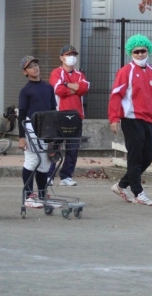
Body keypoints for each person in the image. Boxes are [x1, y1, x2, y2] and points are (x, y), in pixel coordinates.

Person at [109, 34, 152, 206]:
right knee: (135, 157)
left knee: (147, 157)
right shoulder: (125, 71)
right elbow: (116, 95)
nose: (140, 54)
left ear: (148, 50)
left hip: (148, 120)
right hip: (131, 119)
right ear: (131, 53)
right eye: (136, 52)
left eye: (143, 51)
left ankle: (121, 185)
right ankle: (138, 193)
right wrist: (114, 118)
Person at [17, 55, 57, 208]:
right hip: (31, 127)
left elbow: (53, 110)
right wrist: (22, 137)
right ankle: (28, 196)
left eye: (35, 65)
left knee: (45, 162)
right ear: (25, 72)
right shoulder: (25, 91)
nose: (35, 68)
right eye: (30, 67)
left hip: (46, 128)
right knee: (33, 160)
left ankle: (42, 195)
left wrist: (54, 135)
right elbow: (21, 114)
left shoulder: (48, 88)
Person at [48, 44, 90, 187]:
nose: (71, 57)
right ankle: (49, 175)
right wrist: (74, 87)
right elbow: (58, 89)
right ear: (61, 58)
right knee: (54, 146)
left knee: (73, 148)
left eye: (73, 55)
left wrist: (67, 84)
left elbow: (84, 88)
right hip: (59, 115)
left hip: (76, 116)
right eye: (68, 55)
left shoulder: (80, 74)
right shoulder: (56, 72)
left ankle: (66, 176)